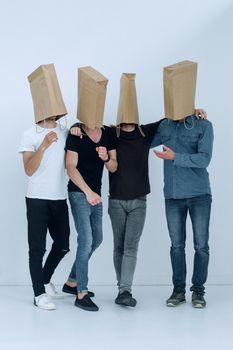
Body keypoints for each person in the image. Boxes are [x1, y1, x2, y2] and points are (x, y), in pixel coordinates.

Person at [151, 113, 213, 308]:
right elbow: (141, 141)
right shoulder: (165, 126)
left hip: (199, 194)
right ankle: (178, 291)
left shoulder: (203, 125)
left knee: (201, 246)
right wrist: (119, 130)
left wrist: (174, 157)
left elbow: (204, 159)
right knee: (176, 246)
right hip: (173, 196)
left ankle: (198, 291)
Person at [62, 124, 117, 311]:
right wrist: (88, 193)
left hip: (96, 195)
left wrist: (106, 157)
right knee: (85, 240)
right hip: (79, 193)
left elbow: (113, 167)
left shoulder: (108, 133)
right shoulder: (76, 133)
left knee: (97, 238)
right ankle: (81, 293)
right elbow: (70, 167)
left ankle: (71, 282)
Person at [19, 116, 70, 310]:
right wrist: (43, 146)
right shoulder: (29, 134)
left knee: (63, 245)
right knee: (37, 249)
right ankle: (38, 294)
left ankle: (45, 280)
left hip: (59, 197)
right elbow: (29, 170)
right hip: (36, 199)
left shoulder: (64, 131)